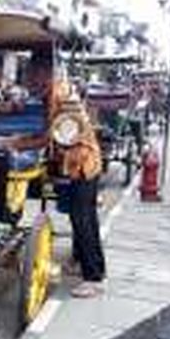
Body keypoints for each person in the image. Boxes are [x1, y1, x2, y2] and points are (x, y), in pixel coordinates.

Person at [58, 100, 106, 298]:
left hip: (84, 169)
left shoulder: (68, 113)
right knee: (85, 220)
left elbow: (57, 138)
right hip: (85, 168)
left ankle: (93, 278)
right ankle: (89, 266)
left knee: (83, 220)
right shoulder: (70, 111)